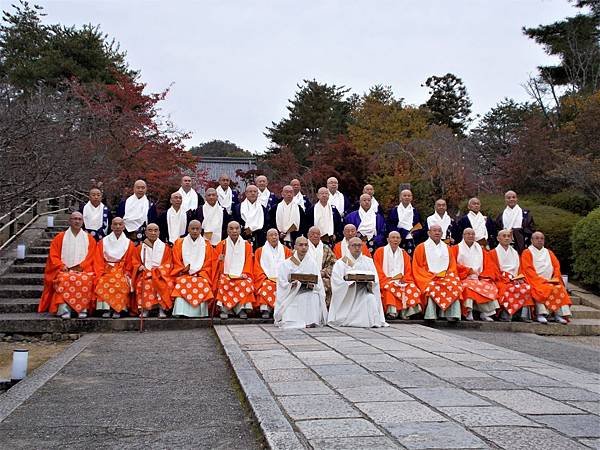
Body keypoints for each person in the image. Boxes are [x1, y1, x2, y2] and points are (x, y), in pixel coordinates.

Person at [38, 212, 96, 319]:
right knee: (64, 278)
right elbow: (53, 256)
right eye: (74, 219)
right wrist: (61, 266)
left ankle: (82, 309)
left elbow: (91, 256)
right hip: (64, 270)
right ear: (69, 221)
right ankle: (64, 310)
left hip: (83, 270)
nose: (77, 221)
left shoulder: (89, 239)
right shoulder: (60, 238)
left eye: (79, 219)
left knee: (85, 279)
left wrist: (82, 266)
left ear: (83, 222)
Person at [329, 237, 388, 328]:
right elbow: (336, 282)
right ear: (348, 247)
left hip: (364, 292)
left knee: (371, 299)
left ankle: (371, 321)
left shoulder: (368, 261)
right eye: (354, 245)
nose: (357, 248)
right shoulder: (341, 262)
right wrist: (349, 283)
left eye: (359, 245)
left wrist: (370, 283)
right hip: (347, 295)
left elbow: (375, 280)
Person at [274, 236, 328, 329]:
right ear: (295, 247)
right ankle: (292, 320)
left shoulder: (312, 263)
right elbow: (282, 283)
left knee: (315, 296)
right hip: (292, 294)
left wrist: (312, 285)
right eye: (301, 245)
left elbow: (318, 283)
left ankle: (311, 321)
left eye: (306, 245)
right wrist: (292, 284)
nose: (304, 248)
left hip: (308, 291)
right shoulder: (285, 264)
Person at [412, 224, 463, 321]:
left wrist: (446, 275)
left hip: (445, 276)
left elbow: (452, 266)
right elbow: (417, 268)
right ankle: (431, 314)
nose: (437, 233)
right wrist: (432, 276)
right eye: (434, 230)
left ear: (442, 234)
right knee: (432, 286)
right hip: (427, 277)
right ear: (428, 233)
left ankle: (451, 314)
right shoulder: (421, 247)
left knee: (453, 284)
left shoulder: (447, 248)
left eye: (439, 231)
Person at [521, 231, 572, 324]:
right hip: (535, 280)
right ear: (531, 240)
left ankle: (559, 314)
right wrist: (541, 280)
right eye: (537, 238)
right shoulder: (527, 252)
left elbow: (556, 267)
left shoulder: (549, 252)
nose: (539, 240)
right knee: (540, 289)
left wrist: (555, 278)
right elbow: (527, 269)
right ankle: (541, 314)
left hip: (551, 280)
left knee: (559, 288)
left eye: (542, 238)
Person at [450, 228, 500, 322]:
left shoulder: (481, 250)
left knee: (489, 286)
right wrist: (467, 271)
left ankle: (486, 313)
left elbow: (489, 265)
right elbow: (452, 264)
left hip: (478, 277)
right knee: (468, 287)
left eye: (472, 234)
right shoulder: (455, 249)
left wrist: (484, 277)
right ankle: (468, 311)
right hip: (462, 277)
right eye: (468, 234)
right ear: (463, 236)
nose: (470, 236)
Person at [170, 220, 216, 318]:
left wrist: (201, 271)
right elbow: (176, 260)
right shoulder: (179, 243)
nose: (195, 231)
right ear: (188, 229)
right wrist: (182, 269)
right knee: (182, 281)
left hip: (201, 273)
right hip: (183, 273)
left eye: (197, 229)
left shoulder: (207, 244)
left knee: (202, 282)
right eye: (193, 228)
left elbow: (209, 263)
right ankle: (180, 311)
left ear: (201, 230)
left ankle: (201, 312)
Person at [373, 231, 422, 320]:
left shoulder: (404, 254)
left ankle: (408, 312)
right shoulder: (380, 251)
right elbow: (377, 269)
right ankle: (392, 312)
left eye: (397, 238)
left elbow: (408, 271)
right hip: (386, 280)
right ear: (388, 239)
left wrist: (404, 279)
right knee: (390, 286)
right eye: (393, 237)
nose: (395, 240)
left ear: (400, 240)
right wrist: (387, 280)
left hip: (401, 280)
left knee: (411, 287)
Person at [94, 217, 136, 318]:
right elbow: (98, 260)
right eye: (115, 224)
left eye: (120, 224)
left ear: (124, 226)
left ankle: (118, 308)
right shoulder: (103, 242)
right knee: (104, 280)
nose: (117, 227)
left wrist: (127, 272)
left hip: (122, 270)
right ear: (111, 226)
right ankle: (106, 308)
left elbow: (131, 262)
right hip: (106, 269)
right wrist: (101, 272)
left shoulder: (129, 243)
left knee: (120, 281)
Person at [489, 229, 533, 322]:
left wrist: (519, 278)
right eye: (504, 236)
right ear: (498, 238)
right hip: (500, 279)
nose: (506, 238)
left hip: (514, 278)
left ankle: (518, 314)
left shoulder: (515, 252)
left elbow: (520, 268)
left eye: (508, 236)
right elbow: (493, 269)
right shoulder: (493, 253)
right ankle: (505, 314)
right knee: (506, 288)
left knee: (525, 287)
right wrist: (505, 278)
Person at [131, 223, 174, 318]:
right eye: (150, 230)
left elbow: (168, 263)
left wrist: (158, 271)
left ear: (159, 232)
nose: (153, 233)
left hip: (160, 274)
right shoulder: (139, 248)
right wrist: (139, 266)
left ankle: (161, 308)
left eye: (155, 230)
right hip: (145, 274)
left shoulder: (165, 248)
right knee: (142, 283)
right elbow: (135, 261)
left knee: (163, 284)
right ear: (145, 232)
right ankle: (145, 309)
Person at [214, 221, 256, 319]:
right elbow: (215, 264)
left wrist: (244, 274)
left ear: (240, 230)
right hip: (226, 274)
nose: (234, 231)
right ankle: (225, 309)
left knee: (246, 283)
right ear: (227, 231)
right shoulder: (221, 244)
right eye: (231, 228)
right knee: (223, 281)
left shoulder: (247, 245)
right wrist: (219, 260)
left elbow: (249, 262)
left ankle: (241, 309)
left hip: (242, 275)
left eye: (237, 228)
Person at [254, 229, 293, 319]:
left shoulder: (286, 250)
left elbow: (291, 266)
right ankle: (265, 309)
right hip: (266, 278)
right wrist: (264, 277)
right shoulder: (259, 251)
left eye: (276, 235)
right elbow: (257, 268)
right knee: (266, 285)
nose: (274, 237)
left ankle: (282, 311)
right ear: (267, 237)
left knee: (284, 285)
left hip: (282, 279)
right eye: (271, 235)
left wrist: (285, 277)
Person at [116, 179, 158, 244]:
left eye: (143, 188)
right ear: (134, 188)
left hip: (144, 236)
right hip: (126, 235)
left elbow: (152, 222)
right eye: (138, 188)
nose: (140, 190)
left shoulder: (150, 205)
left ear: (146, 189)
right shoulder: (124, 203)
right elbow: (118, 218)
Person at [387, 189, 424, 256]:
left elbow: (419, 225)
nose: (407, 197)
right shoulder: (394, 211)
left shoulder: (415, 211)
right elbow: (390, 225)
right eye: (404, 195)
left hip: (412, 238)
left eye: (409, 196)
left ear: (411, 198)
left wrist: (415, 233)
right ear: (400, 197)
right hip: (398, 238)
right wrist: (402, 232)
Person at [231, 184, 269, 250]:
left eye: (255, 191)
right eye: (250, 191)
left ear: (258, 194)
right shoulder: (238, 208)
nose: (253, 193)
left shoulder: (263, 209)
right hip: (243, 237)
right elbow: (235, 222)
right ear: (246, 193)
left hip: (259, 238)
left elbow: (266, 224)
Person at [307, 226, 337, 305]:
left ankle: (325, 309)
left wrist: (324, 272)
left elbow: (333, 263)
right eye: (313, 234)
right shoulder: (302, 247)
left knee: (328, 283)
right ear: (308, 235)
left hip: (323, 276)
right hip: (306, 276)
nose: (315, 236)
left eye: (317, 234)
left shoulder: (326, 248)